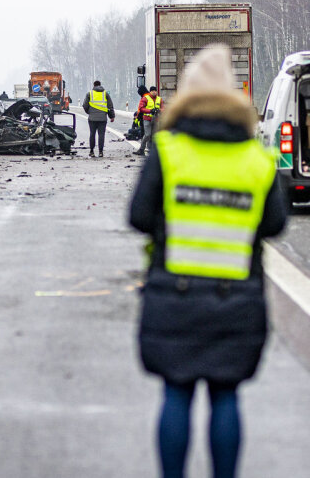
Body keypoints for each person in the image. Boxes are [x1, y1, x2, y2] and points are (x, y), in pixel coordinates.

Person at [129, 45, 287, 478]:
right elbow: (274, 224)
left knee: (176, 393)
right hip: (236, 295)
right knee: (226, 395)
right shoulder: (258, 159)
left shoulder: (168, 151)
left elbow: (139, 216)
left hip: (174, 292)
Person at [82, 80, 114, 157]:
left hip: (92, 118)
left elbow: (85, 105)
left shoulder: (89, 93)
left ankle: (92, 151)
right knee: (101, 135)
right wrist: (112, 116)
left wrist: (89, 112)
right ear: (100, 85)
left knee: (92, 134)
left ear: (94, 85)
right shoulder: (105, 93)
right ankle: (100, 152)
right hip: (103, 118)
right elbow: (110, 106)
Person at [134, 86, 163, 157]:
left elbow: (163, 108)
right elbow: (141, 108)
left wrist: (159, 110)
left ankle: (151, 151)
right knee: (147, 135)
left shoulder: (159, 99)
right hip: (147, 119)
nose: (154, 92)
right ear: (150, 92)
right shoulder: (145, 98)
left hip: (156, 119)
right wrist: (150, 111)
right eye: (152, 91)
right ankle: (141, 149)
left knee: (154, 135)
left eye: (155, 91)